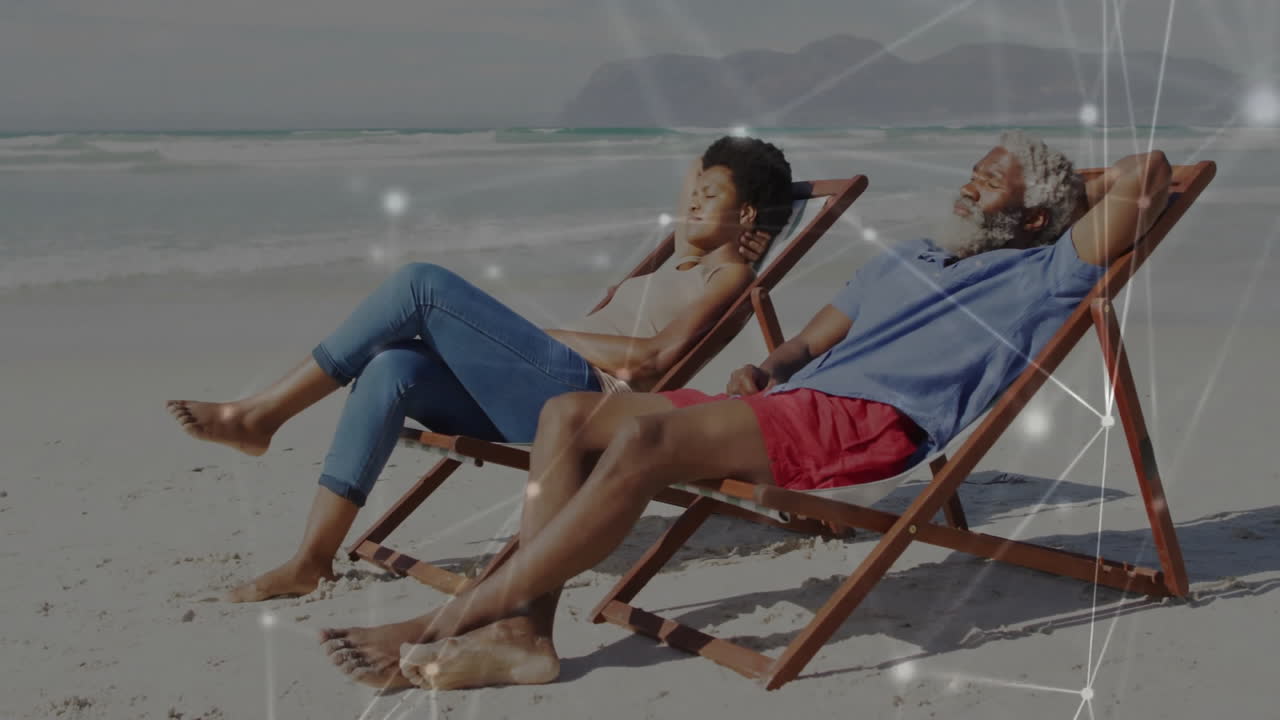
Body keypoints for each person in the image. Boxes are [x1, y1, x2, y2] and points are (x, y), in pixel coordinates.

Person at [318, 131, 1174, 691]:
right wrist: (769, 362)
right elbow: (811, 338)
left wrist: (1063, 194)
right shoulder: (908, 257)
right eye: (971, 170)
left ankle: (447, 619)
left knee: (646, 436)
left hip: (862, 423)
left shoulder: (1044, 270)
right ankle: (526, 634)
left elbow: (1151, 175)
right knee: (567, 415)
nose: (968, 186)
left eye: (991, 183)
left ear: (1033, 214)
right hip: (797, 398)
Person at [165, 136, 794, 602]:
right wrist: (714, 190)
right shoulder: (678, 262)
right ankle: (311, 560)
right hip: (546, 388)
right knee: (391, 366)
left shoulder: (729, 274)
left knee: (421, 284)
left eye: (709, 196)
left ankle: (261, 414)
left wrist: (536, 335)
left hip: (591, 402)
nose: (690, 202)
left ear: (744, 218)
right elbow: (698, 182)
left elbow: (650, 362)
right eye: (692, 190)